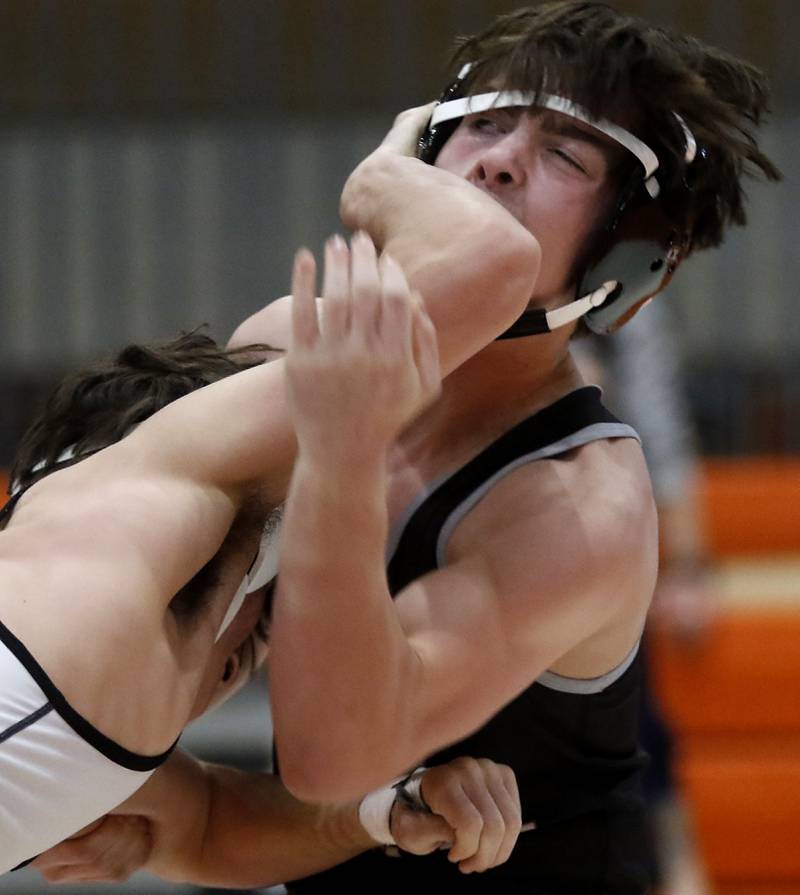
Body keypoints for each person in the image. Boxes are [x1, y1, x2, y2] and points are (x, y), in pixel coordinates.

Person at [253, 3, 779, 893]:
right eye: (483, 124)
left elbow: (330, 751)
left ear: (632, 266)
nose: (497, 158)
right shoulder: (283, 343)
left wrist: (376, 186)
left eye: (564, 154)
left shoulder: (580, 506)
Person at [1, 327, 523, 881]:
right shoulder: (96, 642)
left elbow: (210, 824)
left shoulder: (90, 712)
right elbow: (463, 287)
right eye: (257, 627)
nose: (237, 668)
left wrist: (390, 808)